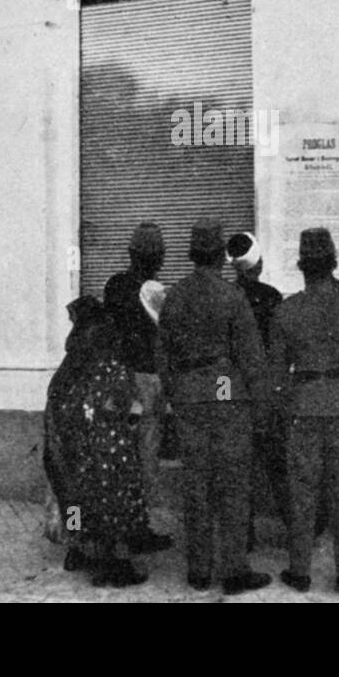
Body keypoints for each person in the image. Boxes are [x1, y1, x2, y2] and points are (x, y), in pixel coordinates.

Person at [158, 219, 271, 594]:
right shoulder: (231, 296)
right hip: (224, 391)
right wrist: (260, 406)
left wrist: (176, 394)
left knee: (196, 483)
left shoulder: (174, 296)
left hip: (189, 395)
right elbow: (251, 357)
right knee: (233, 483)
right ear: (221, 257)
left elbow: (163, 356)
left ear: (193, 255)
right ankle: (235, 569)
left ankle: (199, 570)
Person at [270, 228, 339, 594]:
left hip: (303, 408)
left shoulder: (287, 310)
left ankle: (299, 571)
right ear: (333, 263)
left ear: (302, 267)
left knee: (302, 493)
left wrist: (285, 415)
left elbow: (277, 375)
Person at [44, 294, 150, 588]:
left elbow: (57, 399)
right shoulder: (107, 359)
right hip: (106, 444)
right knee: (112, 498)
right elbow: (122, 402)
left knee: (72, 494)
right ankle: (115, 564)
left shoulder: (72, 358)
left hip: (70, 443)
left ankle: (77, 549)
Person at [103, 222, 174, 553]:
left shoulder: (113, 285)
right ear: (158, 258)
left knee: (116, 455)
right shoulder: (157, 293)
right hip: (148, 381)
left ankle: (113, 528)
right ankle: (136, 529)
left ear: (130, 253)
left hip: (116, 380)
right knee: (145, 458)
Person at [226, 231, 290, 544]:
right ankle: (295, 531)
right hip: (265, 391)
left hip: (234, 392)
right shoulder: (272, 297)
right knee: (278, 464)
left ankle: (243, 535)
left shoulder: (227, 297)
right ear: (259, 263)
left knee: (239, 468)